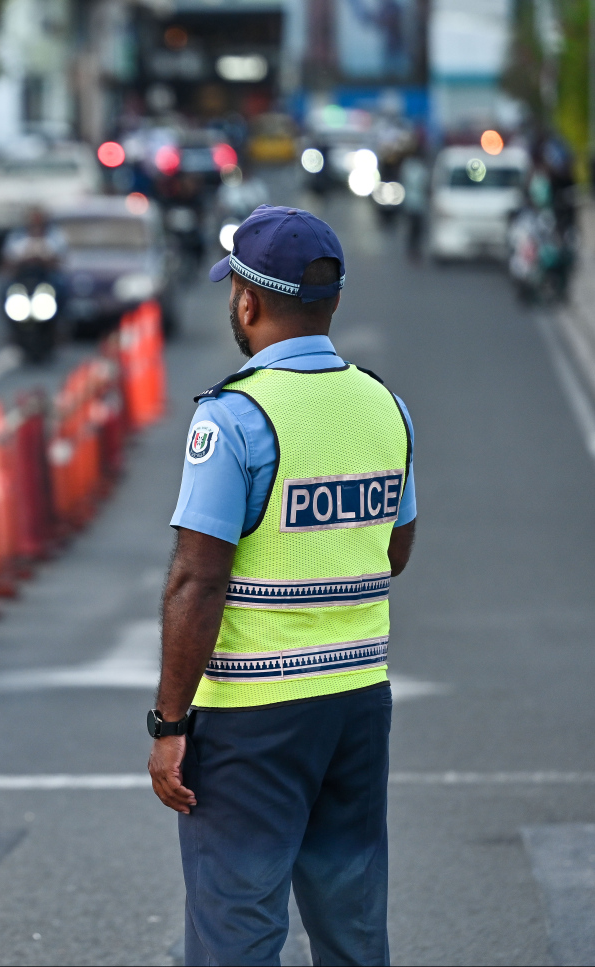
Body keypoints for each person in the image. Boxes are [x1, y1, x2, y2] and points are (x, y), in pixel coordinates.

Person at [149, 206, 416, 966]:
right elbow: (392, 551)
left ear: (247, 301)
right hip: (359, 701)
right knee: (353, 923)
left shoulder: (234, 419)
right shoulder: (385, 406)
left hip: (250, 720)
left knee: (238, 927)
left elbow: (197, 582)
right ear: (331, 302)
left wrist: (169, 725)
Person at [1, 207, 67, 269]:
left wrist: (46, 259)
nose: (36, 226)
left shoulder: (55, 236)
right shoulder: (16, 236)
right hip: (22, 272)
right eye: (33, 223)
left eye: (39, 223)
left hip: (49, 274)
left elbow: (63, 259)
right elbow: (7, 260)